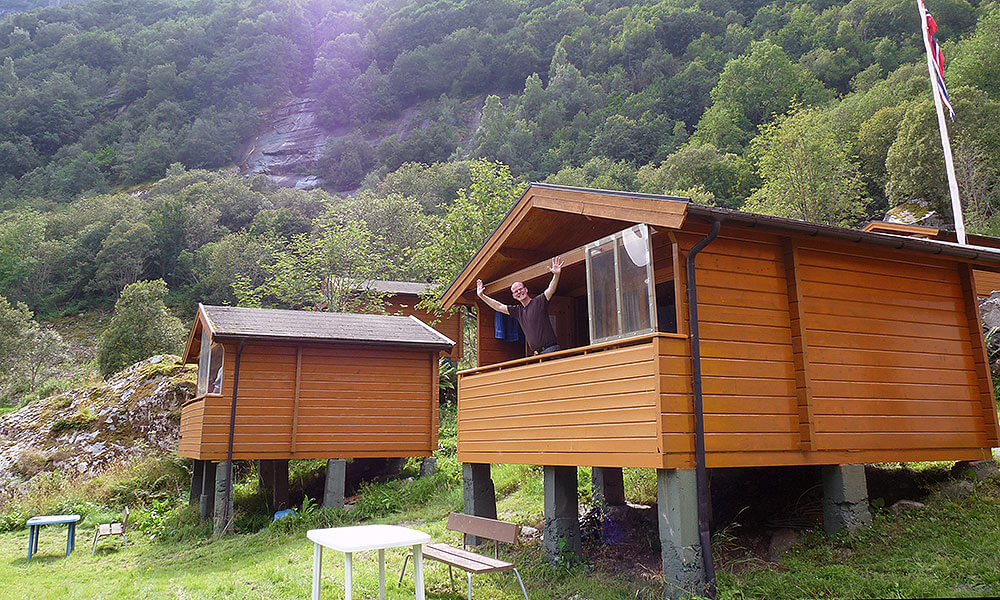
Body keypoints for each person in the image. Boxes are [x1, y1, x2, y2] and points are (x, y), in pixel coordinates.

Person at [477, 257, 563, 355]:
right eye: (516, 291)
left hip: (551, 350)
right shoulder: (518, 311)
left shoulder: (539, 301)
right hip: (537, 355)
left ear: (526, 290)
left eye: (520, 289)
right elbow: (499, 306)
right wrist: (481, 296)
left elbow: (550, 289)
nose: (519, 292)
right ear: (514, 296)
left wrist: (556, 275)